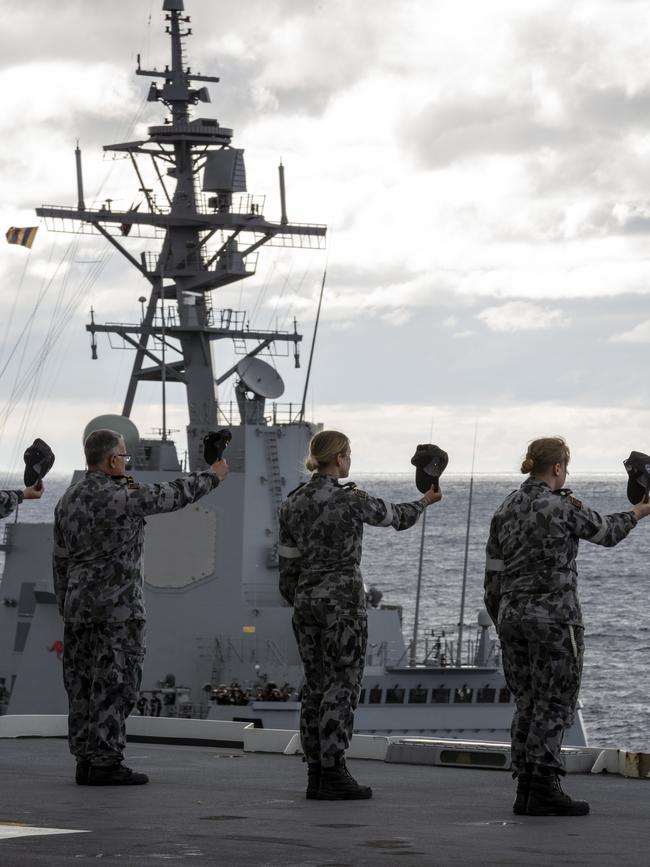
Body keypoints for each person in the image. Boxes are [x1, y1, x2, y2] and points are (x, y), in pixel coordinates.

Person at [484, 436, 650, 817]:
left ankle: (526, 786)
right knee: (555, 702)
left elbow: (492, 573)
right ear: (558, 467)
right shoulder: (560, 505)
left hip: (512, 617)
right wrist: (638, 512)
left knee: (526, 702)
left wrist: (501, 617)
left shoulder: (505, 507)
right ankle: (543, 786)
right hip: (554, 620)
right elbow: (606, 532)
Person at [53, 428, 229, 786]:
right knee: (116, 684)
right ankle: (105, 761)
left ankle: (85, 759)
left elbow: (59, 559)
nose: (126, 461)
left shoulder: (68, 499)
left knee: (82, 685)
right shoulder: (123, 495)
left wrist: (67, 604)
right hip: (117, 611)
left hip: (78, 609)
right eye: (124, 455)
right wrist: (214, 474)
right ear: (113, 460)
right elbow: (173, 495)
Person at [278, 430, 442, 800]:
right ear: (339, 459)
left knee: (314, 687)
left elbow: (287, 563)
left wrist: (299, 597)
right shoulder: (349, 498)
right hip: (342, 605)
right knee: (341, 685)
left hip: (306, 603)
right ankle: (334, 772)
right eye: (348, 454)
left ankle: (316, 773)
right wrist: (425, 500)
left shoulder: (292, 502)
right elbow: (395, 517)